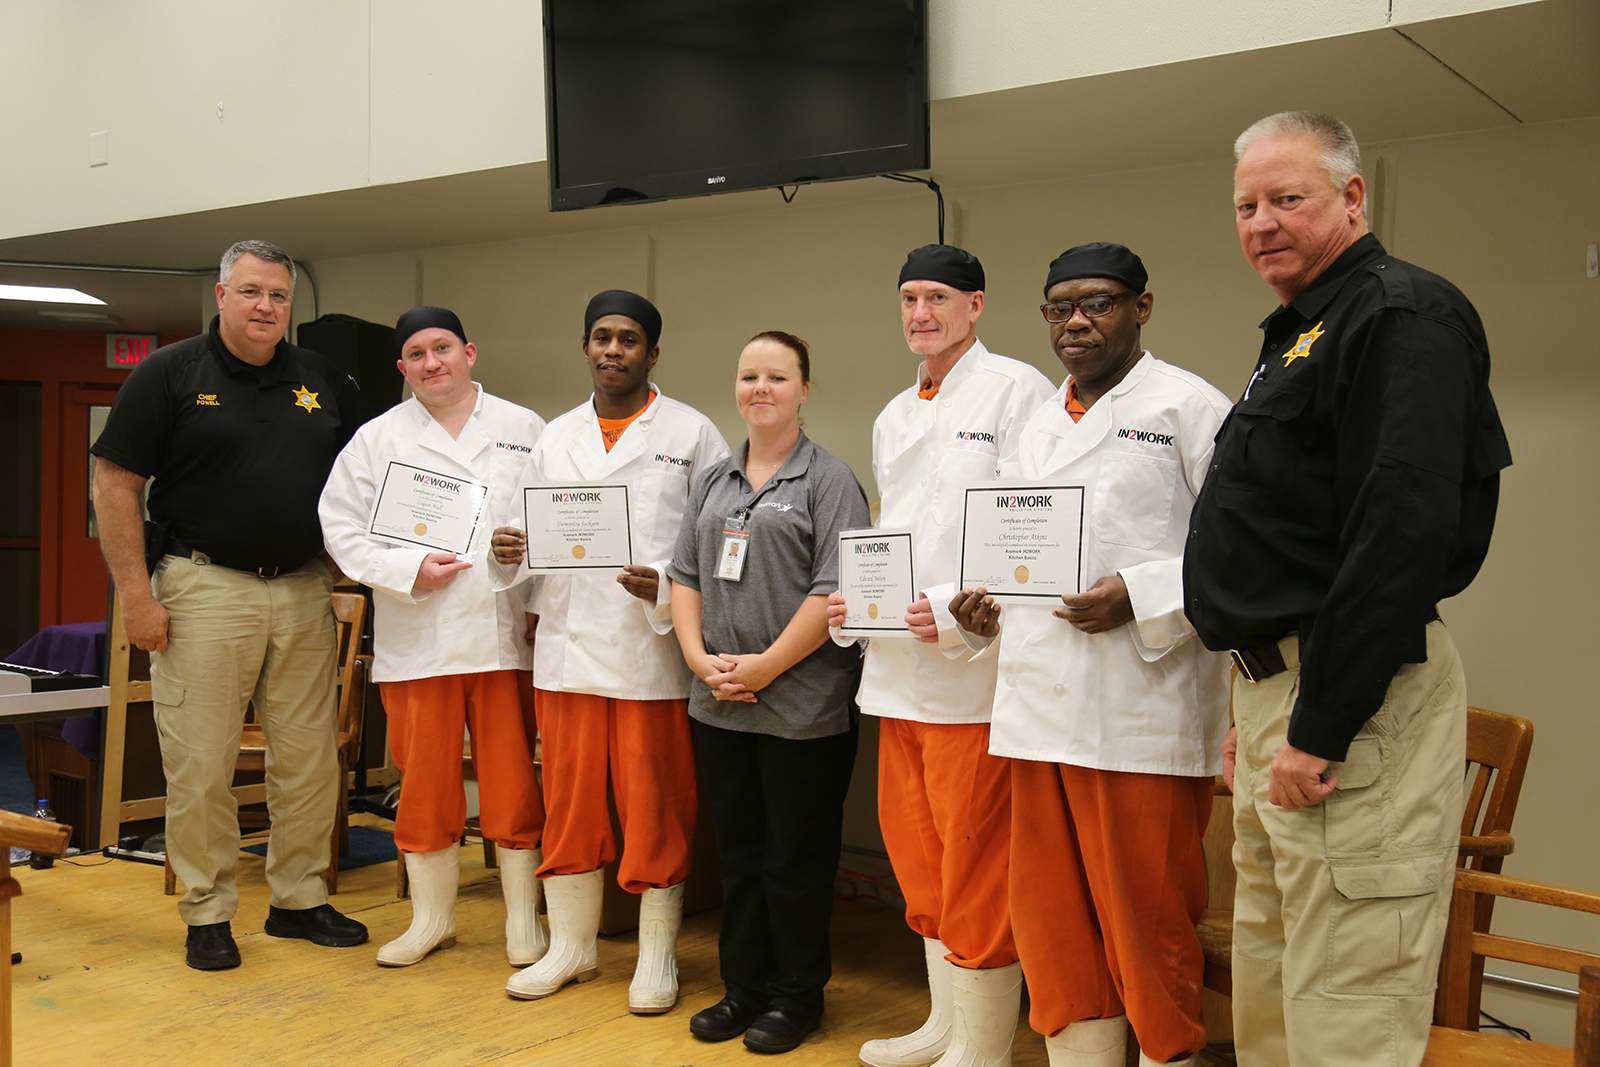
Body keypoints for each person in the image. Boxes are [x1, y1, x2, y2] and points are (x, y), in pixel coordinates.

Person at [1184, 112, 1512, 1067]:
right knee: (1278, 983)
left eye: (1289, 199)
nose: (1262, 223)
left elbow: (1398, 533)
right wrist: (1261, 693)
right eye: (1246, 205)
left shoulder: (1399, 314)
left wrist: (1318, 719)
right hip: (1279, 690)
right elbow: (1292, 530)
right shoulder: (1302, 327)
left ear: (1353, 197)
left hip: (1348, 702)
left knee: (1346, 1004)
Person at [950, 243, 1232, 1067]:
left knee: (1147, 921)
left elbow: (1237, 549)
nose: (1076, 321)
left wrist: (1139, 593)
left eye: (1098, 303)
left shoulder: (1190, 407)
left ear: (1142, 307)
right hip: (1037, 708)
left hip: (1139, 709)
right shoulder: (1034, 420)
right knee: (1054, 925)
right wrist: (978, 609)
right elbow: (1003, 542)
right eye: (1059, 307)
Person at [90, 239, 369, 970]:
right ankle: (208, 908)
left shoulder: (318, 377)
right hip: (203, 584)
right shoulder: (169, 373)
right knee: (202, 761)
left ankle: (299, 897)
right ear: (221, 296)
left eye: (278, 295)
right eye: (250, 292)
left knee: (309, 759)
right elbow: (115, 485)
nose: (265, 307)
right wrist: (136, 598)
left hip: (305, 586)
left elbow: (361, 483)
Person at [825, 244, 1053, 1067]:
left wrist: (959, 618)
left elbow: (1030, 523)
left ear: (977, 305)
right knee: (917, 857)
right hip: (894, 678)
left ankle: (984, 1045)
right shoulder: (893, 412)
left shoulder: (1017, 389)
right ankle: (944, 1023)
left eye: (938, 298)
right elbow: (893, 529)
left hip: (969, 676)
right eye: (909, 298)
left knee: (977, 862)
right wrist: (860, 603)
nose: (921, 313)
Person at [486, 290, 729, 1012]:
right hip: (566, 649)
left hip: (648, 652)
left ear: (652, 353)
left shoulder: (691, 433)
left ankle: (657, 957)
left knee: (655, 803)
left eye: (628, 339)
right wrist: (507, 551)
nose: (613, 349)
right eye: (601, 337)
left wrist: (664, 585)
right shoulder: (554, 437)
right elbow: (523, 545)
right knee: (568, 803)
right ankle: (572, 946)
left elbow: (715, 544)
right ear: (586, 348)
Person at [318, 306, 547, 973]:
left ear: (469, 352)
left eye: (441, 348)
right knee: (423, 784)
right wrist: (407, 568)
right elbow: (340, 529)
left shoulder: (522, 428)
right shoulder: (376, 438)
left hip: (503, 636)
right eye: (415, 354)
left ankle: (521, 921)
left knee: (511, 784)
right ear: (401, 368)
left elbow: (550, 521)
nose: (431, 362)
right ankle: (431, 918)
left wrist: (524, 571)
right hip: (419, 635)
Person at [668, 331, 870, 1054]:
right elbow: (685, 575)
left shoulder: (828, 480)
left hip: (801, 709)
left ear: (804, 389)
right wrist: (699, 658)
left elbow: (833, 589)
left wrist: (765, 666)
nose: (761, 388)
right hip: (719, 702)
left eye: (777, 377)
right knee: (740, 853)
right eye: (749, 375)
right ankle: (743, 988)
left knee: (795, 858)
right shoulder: (714, 482)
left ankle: (795, 995)